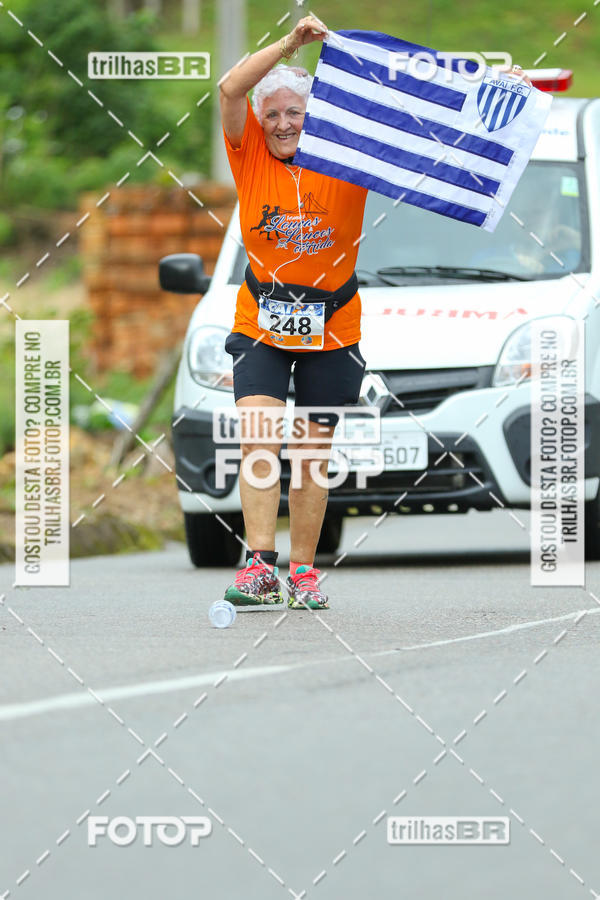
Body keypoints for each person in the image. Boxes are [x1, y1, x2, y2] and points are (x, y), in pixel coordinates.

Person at [218, 15, 368, 610]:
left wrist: (501, 92)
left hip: (334, 322)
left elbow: (417, 131)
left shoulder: (346, 156)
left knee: (311, 452)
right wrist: (290, 45)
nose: (283, 124)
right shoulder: (249, 154)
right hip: (263, 319)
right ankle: (259, 563)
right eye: (273, 114)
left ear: (314, 119)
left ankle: (303, 572)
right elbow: (230, 88)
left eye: (294, 113)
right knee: (258, 432)